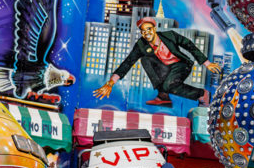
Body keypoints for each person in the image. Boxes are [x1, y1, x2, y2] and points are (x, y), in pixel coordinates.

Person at [93, 17, 221, 108]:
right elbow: (128, 63)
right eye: (143, 31)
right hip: (164, 68)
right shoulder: (141, 45)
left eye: (149, 29)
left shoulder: (169, 35)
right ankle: (163, 96)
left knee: (169, 85)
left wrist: (207, 63)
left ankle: (202, 94)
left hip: (180, 65)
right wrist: (110, 83)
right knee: (145, 60)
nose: (146, 33)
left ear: (154, 29)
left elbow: (189, 45)